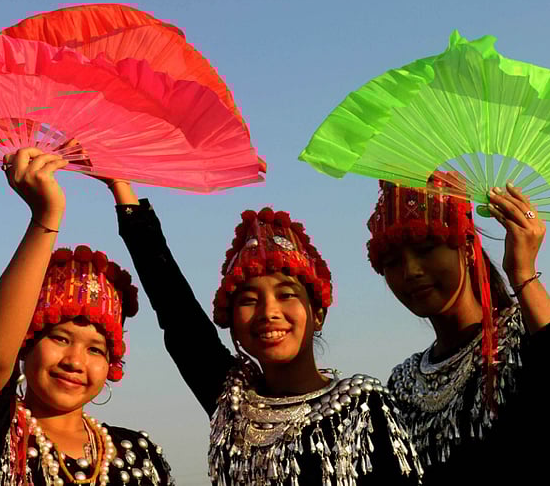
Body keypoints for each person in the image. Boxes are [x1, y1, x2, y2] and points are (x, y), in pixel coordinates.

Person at [105, 177, 421, 486]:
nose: (268, 312)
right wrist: (122, 188)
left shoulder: (363, 407)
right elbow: (176, 309)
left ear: (318, 314)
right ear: (230, 320)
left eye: (286, 295)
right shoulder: (232, 402)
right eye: (249, 300)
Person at [0, 147, 174, 486]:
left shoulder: (139, 454)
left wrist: (120, 184)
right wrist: (46, 216)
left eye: (95, 349)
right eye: (60, 338)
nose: (75, 361)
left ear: (113, 363)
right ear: (26, 342)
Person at [368, 174, 550, 485]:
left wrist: (522, 273)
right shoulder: (402, 384)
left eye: (427, 249)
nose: (411, 271)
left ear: (468, 247)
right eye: (392, 262)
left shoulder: (524, 341)